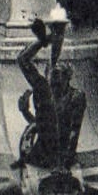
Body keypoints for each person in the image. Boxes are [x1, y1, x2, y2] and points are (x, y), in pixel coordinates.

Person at [14, 10, 86, 172]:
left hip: (59, 158)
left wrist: (63, 163)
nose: (53, 77)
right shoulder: (43, 89)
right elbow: (22, 60)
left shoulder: (75, 97)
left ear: (68, 77)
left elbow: (73, 132)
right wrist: (41, 42)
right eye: (51, 74)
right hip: (41, 154)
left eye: (57, 74)